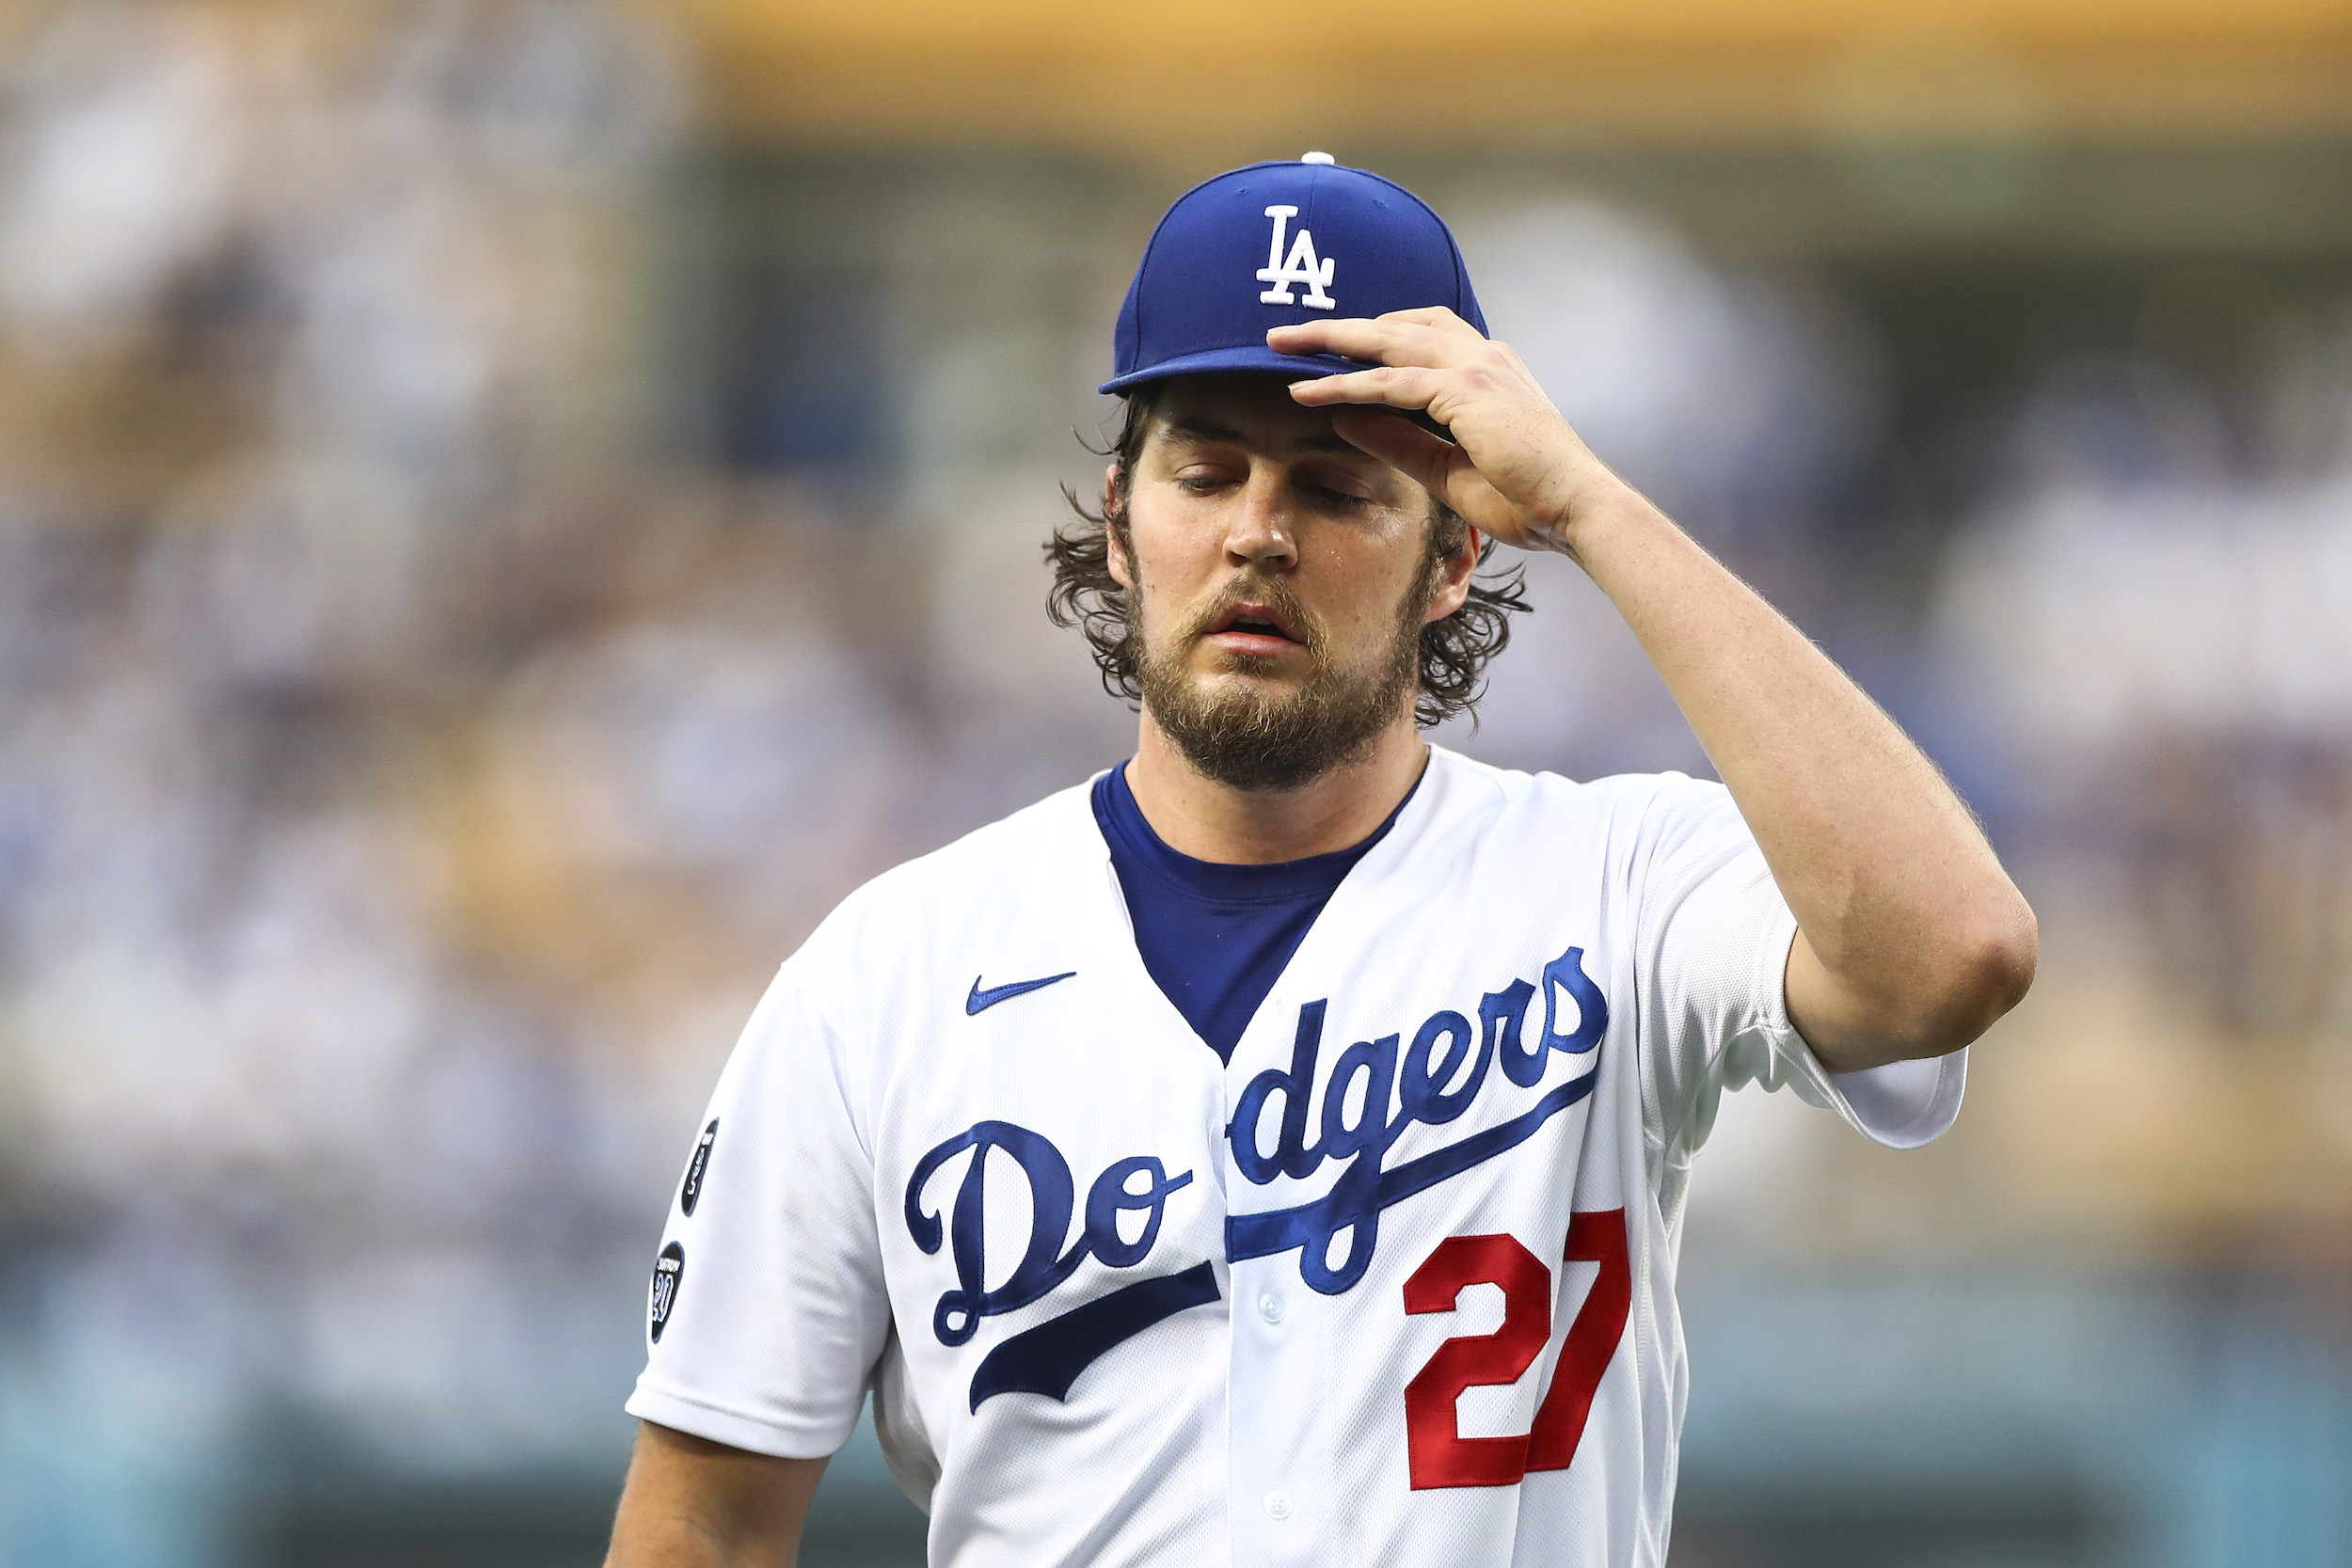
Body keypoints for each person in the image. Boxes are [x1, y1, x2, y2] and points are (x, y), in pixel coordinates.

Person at [602, 154, 2036, 1568]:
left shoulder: (1619, 881)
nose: (1257, 536)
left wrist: (1596, 508)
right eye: (1205, 472)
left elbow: (1949, 956)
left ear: (1458, 555)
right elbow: (704, 1522)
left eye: (1340, 489)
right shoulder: (890, 972)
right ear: (1118, 525)